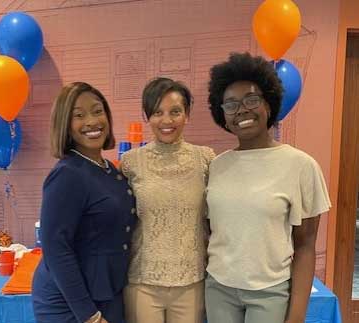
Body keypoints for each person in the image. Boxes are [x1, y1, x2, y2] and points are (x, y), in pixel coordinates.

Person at [205, 52, 331, 323]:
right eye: (230, 104)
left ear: (269, 105)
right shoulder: (216, 166)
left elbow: (306, 246)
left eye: (252, 99)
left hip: (270, 293)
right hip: (218, 289)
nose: (242, 110)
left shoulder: (301, 166)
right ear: (222, 115)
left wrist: (296, 316)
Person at [32, 82, 137, 323]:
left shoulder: (109, 169)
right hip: (72, 302)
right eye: (78, 115)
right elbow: (56, 248)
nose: (91, 121)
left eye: (98, 111)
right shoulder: (67, 174)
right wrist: (88, 315)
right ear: (66, 125)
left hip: (107, 291)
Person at [121, 77, 215, 323]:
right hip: (142, 281)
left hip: (192, 282)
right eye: (157, 112)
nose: (166, 121)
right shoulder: (131, 162)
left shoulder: (205, 159)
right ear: (147, 117)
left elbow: (216, 219)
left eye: (175, 112)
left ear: (187, 115)